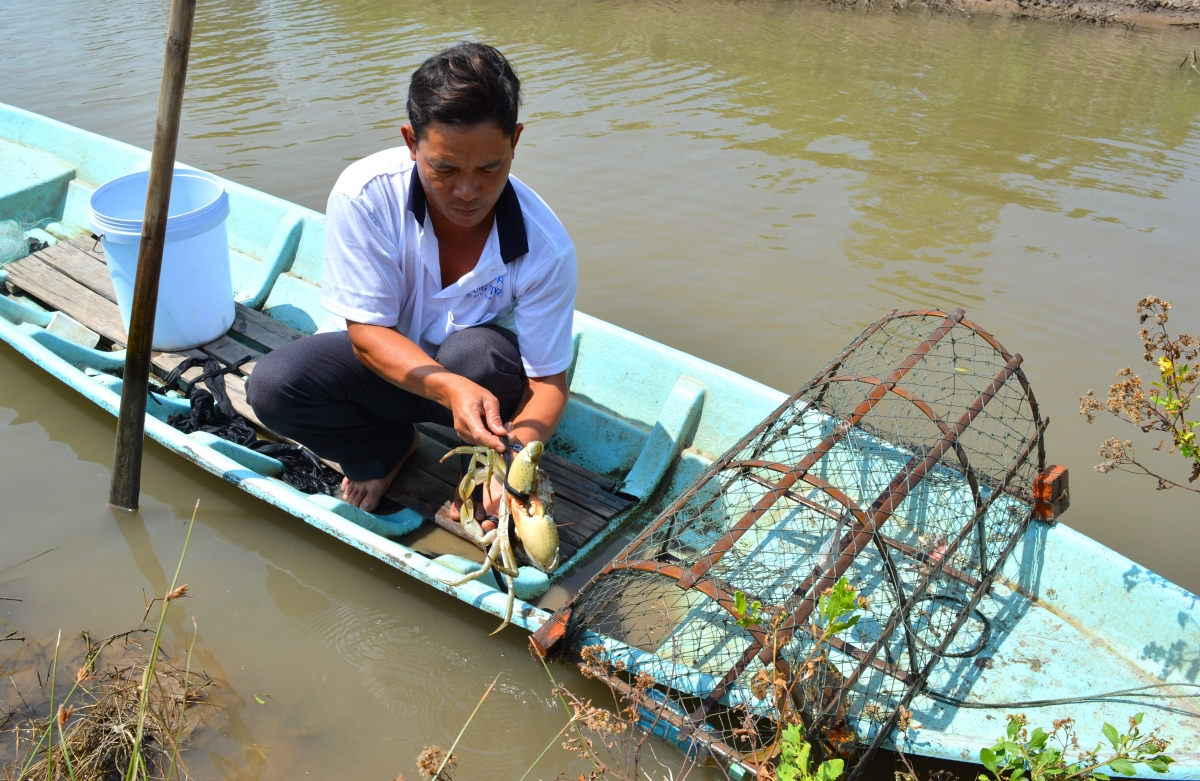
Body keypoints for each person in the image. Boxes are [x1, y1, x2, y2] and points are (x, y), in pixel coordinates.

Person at [247, 42, 577, 516]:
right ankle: (386, 448)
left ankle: (485, 468)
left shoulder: (547, 245)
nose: (468, 192)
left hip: (480, 387)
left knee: (480, 357)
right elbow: (365, 334)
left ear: (516, 141)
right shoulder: (364, 195)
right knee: (276, 385)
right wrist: (447, 387)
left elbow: (547, 381)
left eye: (490, 167)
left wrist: (516, 457)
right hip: (385, 371)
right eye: (444, 168)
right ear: (410, 141)